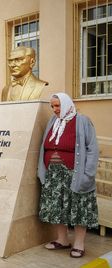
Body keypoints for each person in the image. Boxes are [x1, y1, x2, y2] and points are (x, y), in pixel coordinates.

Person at [37, 93, 99, 258]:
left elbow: (92, 149)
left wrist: (88, 175)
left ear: (66, 104)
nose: (55, 109)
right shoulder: (53, 121)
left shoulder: (82, 121)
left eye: (57, 106)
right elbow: (46, 146)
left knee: (79, 208)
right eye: (52, 106)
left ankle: (79, 244)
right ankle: (62, 240)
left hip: (75, 174)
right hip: (54, 174)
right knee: (57, 207)